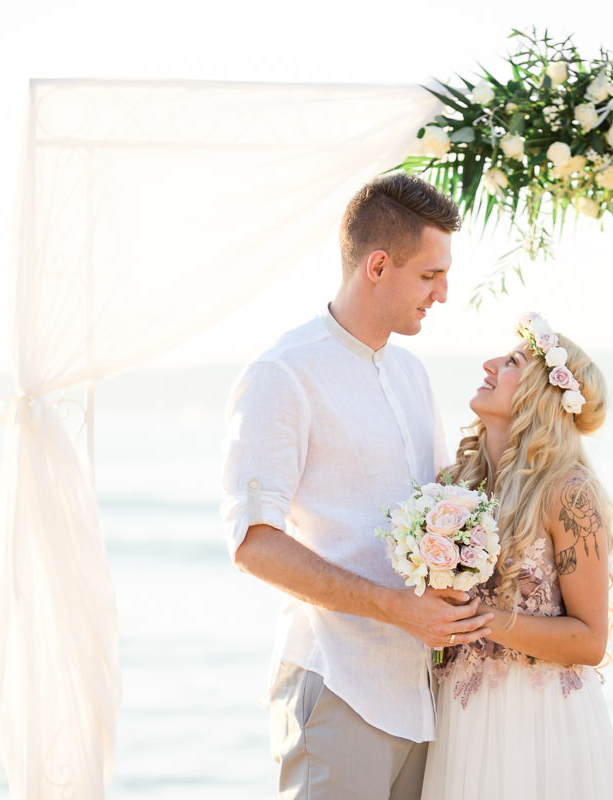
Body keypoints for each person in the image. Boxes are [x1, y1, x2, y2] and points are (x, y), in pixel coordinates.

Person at [220, 174, 493, 800]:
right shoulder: (282, 374)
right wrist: (396, 608)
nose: (443, 293)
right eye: (430, 275)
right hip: (338, 686)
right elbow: (253, 543)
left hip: (421, 694)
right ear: (378, 265)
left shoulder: (412, 372)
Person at [421, 312, 613, 799]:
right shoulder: (454, 486)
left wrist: (482, 620)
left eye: (513, 361)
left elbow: (589, 640)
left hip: (542, 724)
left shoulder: (569, 493)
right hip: (460, 717)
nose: (490, 364)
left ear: (542, 393)